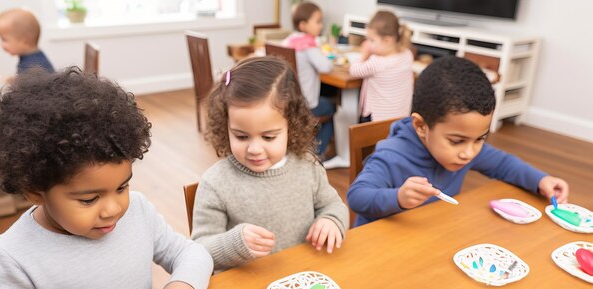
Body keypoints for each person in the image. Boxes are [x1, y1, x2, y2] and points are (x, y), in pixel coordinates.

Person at [0, 67, 213, 289]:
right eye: (89, 199)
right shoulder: (15, 256)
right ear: (35, 192)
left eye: (122, 186)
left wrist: (186, 283)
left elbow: (192, 251)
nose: (113, 208)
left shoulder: (137, 211)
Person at [347, 56, 569, 226]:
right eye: (457, 141)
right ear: (421, 126)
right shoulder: (391, 156)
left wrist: (541, 180)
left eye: (480, 139)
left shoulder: (466, 147)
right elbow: (357, 197)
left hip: (433, 236)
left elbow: (503, 164)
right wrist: (398, 197)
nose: (469, 153)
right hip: (383, 249)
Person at [192, 56, 348, 271]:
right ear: (225, 126)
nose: (254, 149)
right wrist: (234, 244)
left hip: (302, 279)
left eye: (268, 137)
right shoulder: (216, 183)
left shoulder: (308, 166)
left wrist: (331, 220)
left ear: (291, 127)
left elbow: (332, 205)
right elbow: (199, 250)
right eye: (241, 136)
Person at [283, 1, 335, 157]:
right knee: (332, 108)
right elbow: (326, 67)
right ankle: (316, 154)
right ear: (303, 25)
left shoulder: (289, 41)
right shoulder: (308, 46)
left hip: (289, 101)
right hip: (307, 104)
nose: (321, 26)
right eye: (318, 22)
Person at [349, 10, 414, 123]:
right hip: (401, 119)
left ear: (388, 40)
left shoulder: (377, 62)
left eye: (372, 40)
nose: (368, 44)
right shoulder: (407, 55)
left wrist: (363, 55)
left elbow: (354, 70)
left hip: (376, 121)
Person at [0, 8, 54, 74]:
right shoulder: (33, 57)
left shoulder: (33, 68)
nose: (0, 43)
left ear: (24, 42)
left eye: (4, 39)